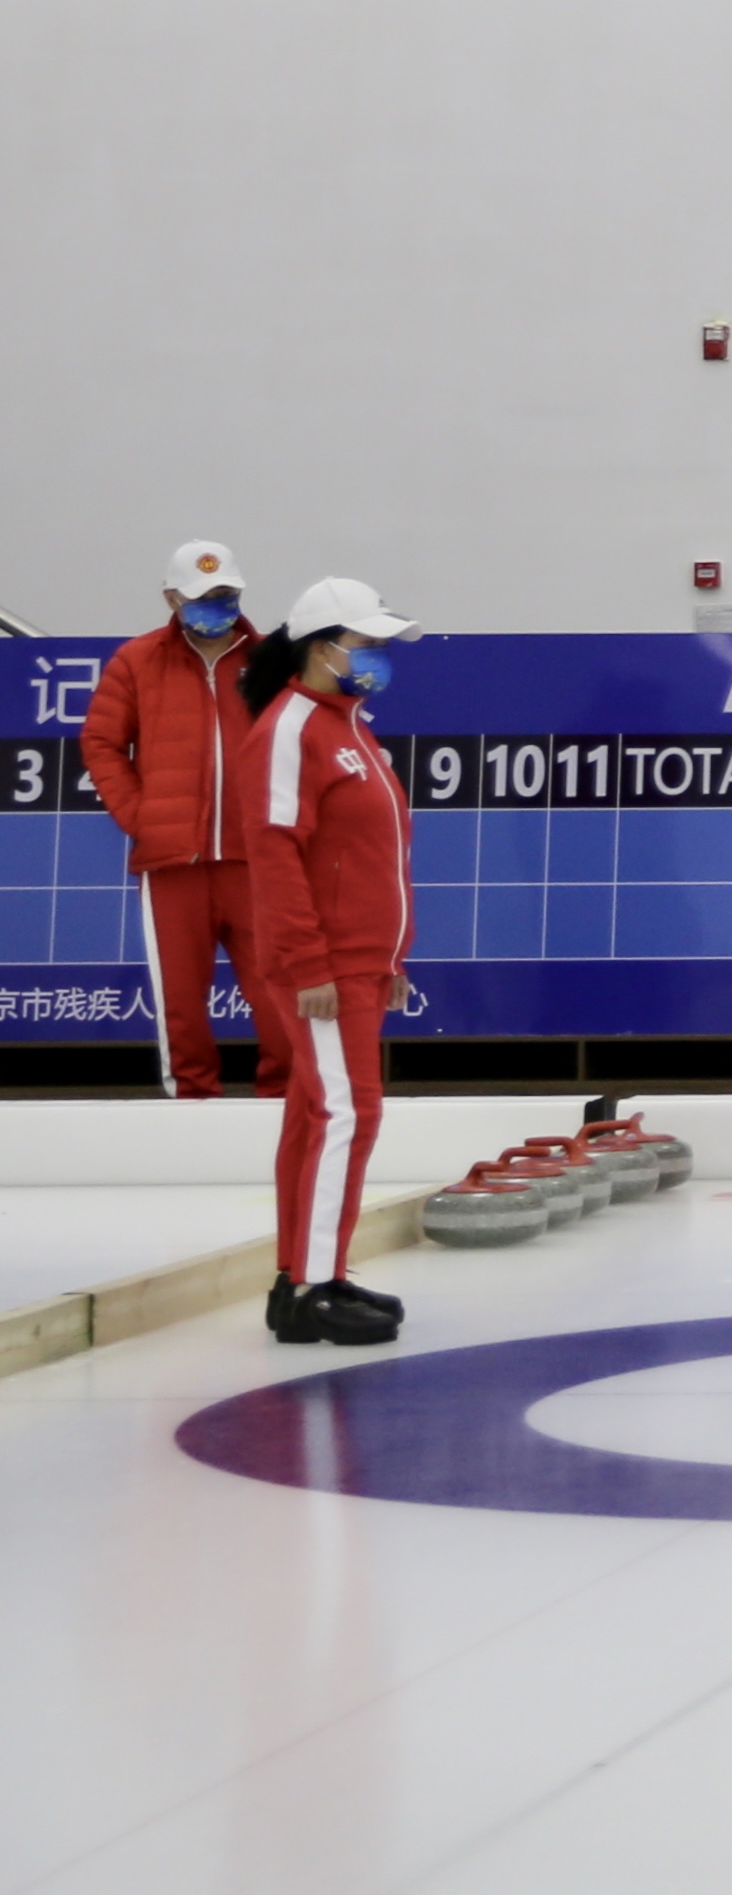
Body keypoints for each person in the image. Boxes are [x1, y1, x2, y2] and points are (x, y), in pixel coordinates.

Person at [237, 578, 422, 1347]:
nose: (376, 656)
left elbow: (373, 856)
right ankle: (314, 1284)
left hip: (356, 964)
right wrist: (310, 963)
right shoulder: (292, 729)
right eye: (366, 642)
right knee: (347, 1114)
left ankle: (307, 1274)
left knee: (317, 1116)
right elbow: (275, 855)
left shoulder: (348, 726)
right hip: (322, 969)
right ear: (324, 647)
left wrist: (390, 958)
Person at [82, 538, 287, 1099]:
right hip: (173, 864)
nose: (215, 606)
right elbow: (101, 743)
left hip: (257, 862)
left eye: (226, 594)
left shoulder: (271, 661)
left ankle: (285, 1108)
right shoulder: (137, 660)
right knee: (182, 1008)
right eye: (201, 596)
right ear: (171, 597)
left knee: (280, 999)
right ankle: (193, 1109)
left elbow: (300, 746)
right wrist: (141, 817)